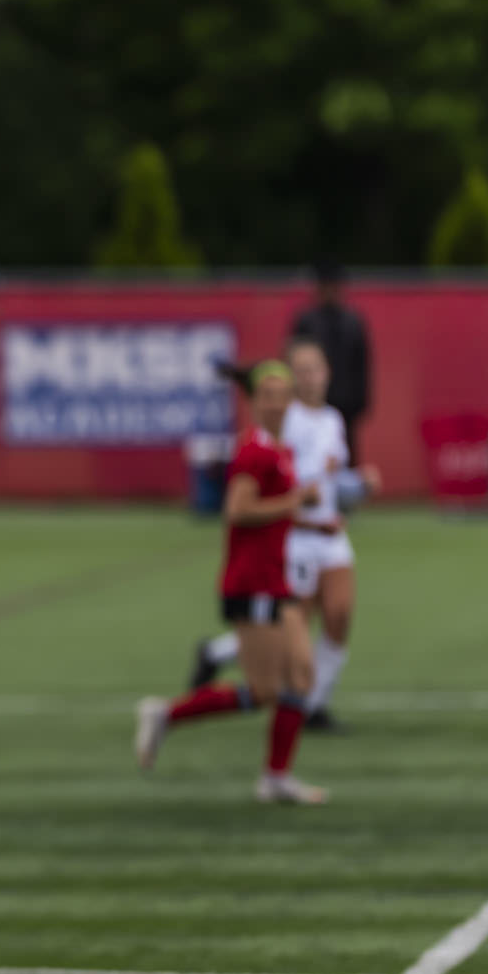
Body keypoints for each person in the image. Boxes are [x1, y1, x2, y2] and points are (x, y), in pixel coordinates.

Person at [135, 361, 325, 804]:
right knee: (265, 691)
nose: (277, 403)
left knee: (302, 676)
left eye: (283, 395)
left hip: (275, 581)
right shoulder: (254, 451)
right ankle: (166, 714)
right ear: (254, 402)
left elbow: (275, 512)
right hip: (251, 583)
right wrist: (296, 500)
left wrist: (316, 526)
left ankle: (276, 778)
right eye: (268, 396)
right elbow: (238, 510)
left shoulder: (281, 450)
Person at [187, 339, 380, 731]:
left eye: (316, 368)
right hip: (293, 535)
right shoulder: (282, 420)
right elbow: (278, 482)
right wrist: (303, 504)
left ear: (327, 373)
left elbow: (330, 483)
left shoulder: (333, 420)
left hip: (330, 532)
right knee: (292, 629)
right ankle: (221, 652)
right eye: (302, 370)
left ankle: (315, 705)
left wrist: (359, 484)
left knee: (340, 614)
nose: (311, 377)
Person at [290, 262, 372, 463]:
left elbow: (362, 364)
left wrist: (361, 400)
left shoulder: (353, 321)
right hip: (312, 399)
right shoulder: (306, 320)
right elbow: (292, 358)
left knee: (345, 453)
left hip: (346, 402)